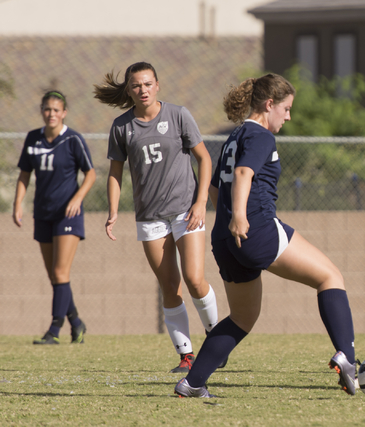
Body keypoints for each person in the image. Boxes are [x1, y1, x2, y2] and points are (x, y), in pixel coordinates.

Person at [174, 73, 358, 398]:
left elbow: (217, 187)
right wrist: (243, 217)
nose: (288, 116)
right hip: (255, 228)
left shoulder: (234, 136)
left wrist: (231, 220)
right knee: (331, 276)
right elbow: (245, 173)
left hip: (224, 238)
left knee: (243, 317)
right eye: (286, 109)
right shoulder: (261, 136)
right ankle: (347, 356)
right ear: (269, 104)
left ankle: (192, 382)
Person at [93, 62, 219, 373]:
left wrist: (201, 202)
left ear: (157, 85)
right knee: (170, 286)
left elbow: (204, 159)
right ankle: (186, 355)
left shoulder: (178, 115)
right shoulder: (122, 126)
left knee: (194, 278)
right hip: (150, 217)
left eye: (148, 84)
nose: (143, 90)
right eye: (136, 85)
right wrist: (112, 212)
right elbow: (115, 173)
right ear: (129, 90)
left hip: (186, 210)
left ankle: (217, 340)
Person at [13, 90, 95, 345]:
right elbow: (25, 174)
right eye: (47, 109)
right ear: (42, 111)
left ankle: (54, 329)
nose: (51, 114)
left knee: (60, 273)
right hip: (43, 213)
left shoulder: (72, 139)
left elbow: (90, 173)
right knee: (55, 276)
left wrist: (77, 198)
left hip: (67, 215)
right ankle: (77, 323)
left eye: (56, 110)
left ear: (64, 113)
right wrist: (18, 204)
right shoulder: (33, 138)